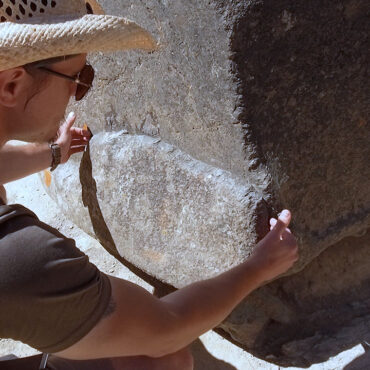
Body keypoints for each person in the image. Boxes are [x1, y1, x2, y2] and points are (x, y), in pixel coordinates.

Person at [0, 1, 298, 369]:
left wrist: (52, 154)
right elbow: (166, 330)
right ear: (12, 84)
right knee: (160, 361)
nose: (78, 94)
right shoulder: (17, 254)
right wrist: (258, 267)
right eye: (78, 80)